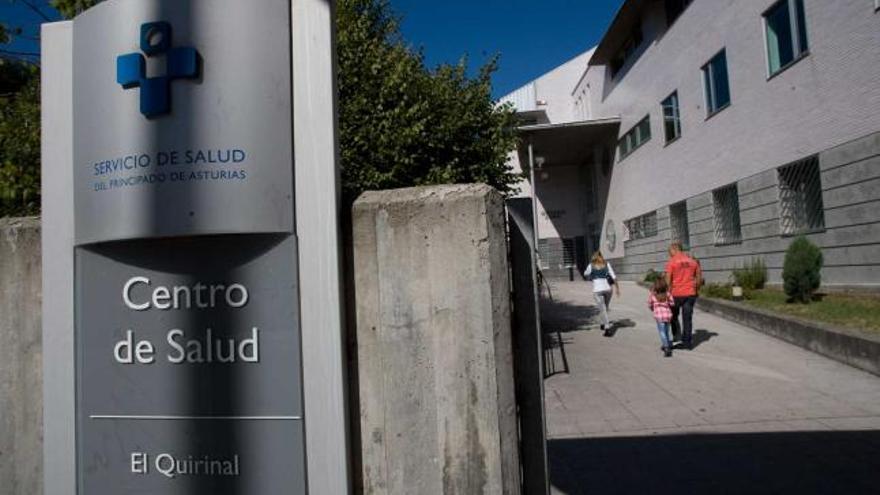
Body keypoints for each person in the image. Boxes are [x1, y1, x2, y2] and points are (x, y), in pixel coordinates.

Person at [664, 242, 702, 349]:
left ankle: (677, 338)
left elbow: (668, 280)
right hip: (690, 294)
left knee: (673, 316)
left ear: (675, 249)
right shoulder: (693, 261)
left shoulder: (672, 262)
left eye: (669, 251)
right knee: (687, 318)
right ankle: (687, 343)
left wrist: (666, 293)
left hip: (676, 294)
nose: (669, 254)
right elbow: (699, 278)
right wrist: (696, 290)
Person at [584, 251, 620, 336]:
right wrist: (617, 289)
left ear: (594, 257)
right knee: (605, 307)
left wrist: (591, 277)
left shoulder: (591, 265)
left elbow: (585, 274)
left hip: (598, 290)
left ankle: (607, 328)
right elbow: (614, 277)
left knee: (602, 308)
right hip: (608, 289)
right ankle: (602, 323)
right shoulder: (607, 264)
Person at [648, 278, 675, 357]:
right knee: (666, 331)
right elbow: (672, 304)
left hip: (659, 317)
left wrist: (653, 308)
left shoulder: (653, 295)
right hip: (668, 316)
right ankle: (666, 344)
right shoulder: (667, 294)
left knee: (662, 332)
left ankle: (666, 347)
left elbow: (650, 304)